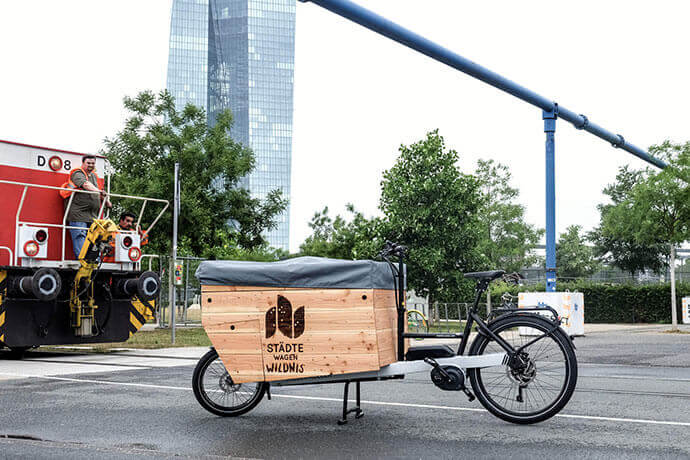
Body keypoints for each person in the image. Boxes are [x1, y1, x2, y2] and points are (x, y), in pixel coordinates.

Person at [61, 155, 111, 258]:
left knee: (94, 238)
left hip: (92, 215)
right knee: (80, 236)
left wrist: (106, 202)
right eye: (88, 163)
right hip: (78, 214)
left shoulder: (94, 176)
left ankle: (93, 261)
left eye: (93, 163)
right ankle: (83, 260)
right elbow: (85, 185)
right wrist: (99, 191)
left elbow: (98, 191)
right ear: (83, 163)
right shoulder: (77, 173)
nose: (91, 165)